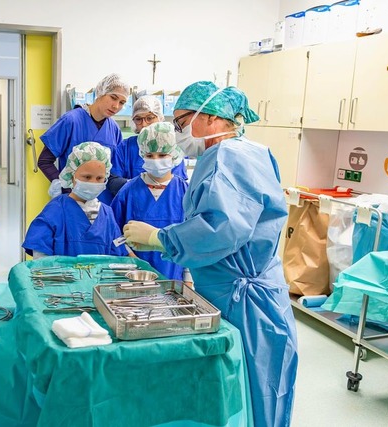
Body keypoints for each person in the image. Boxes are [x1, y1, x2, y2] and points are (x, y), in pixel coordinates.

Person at [123, 81, 298, 427]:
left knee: (250, 393)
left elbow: (222, 228)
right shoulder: (251, 151)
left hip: (244, 302)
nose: (178, 133)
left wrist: (160, 237)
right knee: (253, 393)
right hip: (249, 292)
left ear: (213, 118)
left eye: (182, 121)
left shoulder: (228, 157)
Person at [23, 142, 128, 258]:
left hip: (99, 276)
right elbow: (40, 254)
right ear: (71, 175)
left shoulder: (107, 214)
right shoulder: (55, 210)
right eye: (87, 177)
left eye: (99, 178)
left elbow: (119, 251)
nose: (93, 183)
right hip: (62, 275)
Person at [111, 122, 188, 280]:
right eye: (150, 155)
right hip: (134, 274)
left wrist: (188, 277)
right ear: (142, 155)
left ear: (174, 155)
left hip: (173, 274)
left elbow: (191, 238)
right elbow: (113, 232)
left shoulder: (185, 192)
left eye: (162, 155)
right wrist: (131, 257)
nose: (156, 160)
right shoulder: (128, 191)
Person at [39, 73, 130, 204]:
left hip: (103, 202)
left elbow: (112, 170)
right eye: (113, 98)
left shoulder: (114, 129)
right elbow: (44, 161)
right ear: (100, 93)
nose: (116, 106)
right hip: (73, 197)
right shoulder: (71, 121)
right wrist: (62, 185)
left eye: (122, 102)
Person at [107, 95, 186, 196]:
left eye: (149, 118)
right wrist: (140, 186)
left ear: (160, 118)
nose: (144, 124)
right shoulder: (125, 147)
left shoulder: (172, 145)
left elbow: (177, 184)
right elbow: (113, 181)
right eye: (138, 119)